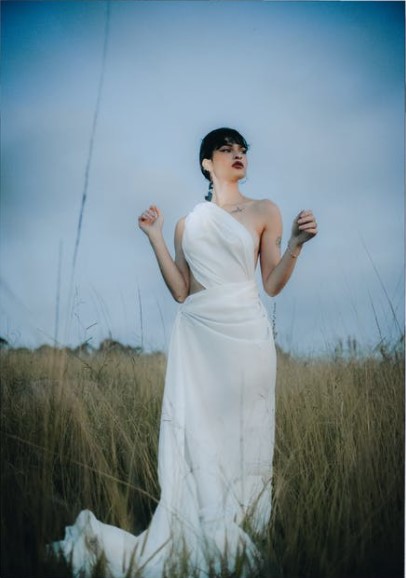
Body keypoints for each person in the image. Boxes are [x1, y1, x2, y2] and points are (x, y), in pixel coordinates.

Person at [51, 128, 317, 578]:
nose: (238, 155)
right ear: (206, 164)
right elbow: (181, 290)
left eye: (242, 151)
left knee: (246, 432)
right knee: (197, 434)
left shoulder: (265, 210)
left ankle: (244, 527)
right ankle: (199, 526)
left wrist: (293, 245)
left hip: (246, 335)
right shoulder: (187, 223)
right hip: (197, 336)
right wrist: (154, 235)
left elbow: (270, 285)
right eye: (226, 150)